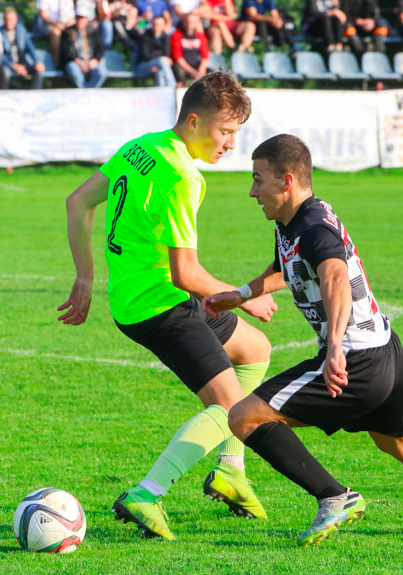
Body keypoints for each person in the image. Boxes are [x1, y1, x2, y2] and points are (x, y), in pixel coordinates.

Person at [202, 134, 403, 546]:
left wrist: (333, 349)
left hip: (356, 359)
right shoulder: (292, 222)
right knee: (402, 444)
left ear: (287, 180)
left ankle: (334, 497)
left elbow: (335, 276)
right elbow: (286, 267)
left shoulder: (311, 227)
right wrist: (240, 295)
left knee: (244, 416)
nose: (252, 191)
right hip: (385, 351)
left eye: (258, 180)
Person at [58, 71, 276, 541]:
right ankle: (147, 493)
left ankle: (231, 471)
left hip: (134, 297)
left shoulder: (144, 146)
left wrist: (85, 276)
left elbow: (78, 202)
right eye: (225, 132)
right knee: (233, 407)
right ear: (194, 122)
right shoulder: (182, 176)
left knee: (255, 350)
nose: (231, 145)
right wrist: (245, 295)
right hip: (162, 305)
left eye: (236, 134)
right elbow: (187, 276)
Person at [0, 7, 46, 90]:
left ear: (16, 19)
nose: (8, 22)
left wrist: (38, 62)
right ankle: (6, 95)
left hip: (22, 62)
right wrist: (13, 66)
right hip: (7, 64)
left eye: (11, 19)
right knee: (5, 73)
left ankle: (35, 95)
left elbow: (31, 48)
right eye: (6, 19)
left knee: (38, 71)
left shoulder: (21, 31)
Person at [60, 10, 109, 89]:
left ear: (86, 19)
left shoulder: (93, 31)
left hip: (91, 60)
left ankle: (88, 91)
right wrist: (79, 61)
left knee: (101, 73)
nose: (80, 20)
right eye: (78, 18)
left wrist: (95, 60)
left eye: (82, 18)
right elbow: (65, 52)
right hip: (75, 62)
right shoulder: (67, 32)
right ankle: (83, 91)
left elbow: (100, 49)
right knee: (75, 71)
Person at [130, 13, 177, 86]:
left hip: (159, 65)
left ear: (163, 26)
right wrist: (160, 57)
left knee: (160, 71)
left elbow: (167, 54)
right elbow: (145, 55)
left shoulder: (165, 37)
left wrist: (158, 62)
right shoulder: (145, 36)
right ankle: (173, 85)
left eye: (158, 25)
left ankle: (162, 93)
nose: (155, 27)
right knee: (162, 61)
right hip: (143, 66)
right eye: (154, 24)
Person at [171, 13, 210, 84]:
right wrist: (192, 71)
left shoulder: (200, 36)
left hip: (197, 65)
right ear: (184, 22)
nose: (189, 24)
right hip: (183, 67)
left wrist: (200, 70)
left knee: (210, 70)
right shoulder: (177, 35)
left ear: (196, 23)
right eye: (187, 22)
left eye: (192, 22)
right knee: (178, 69)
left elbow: (205, 56)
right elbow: (177, 57)